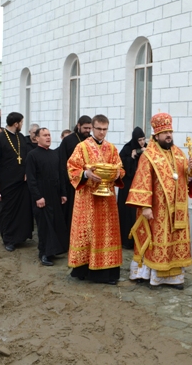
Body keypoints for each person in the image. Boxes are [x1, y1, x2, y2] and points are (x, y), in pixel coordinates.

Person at [126, 113, 192, 289]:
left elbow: (185, 179)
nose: (169, 135)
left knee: (175, 242)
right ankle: (153, 276)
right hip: (158, 209)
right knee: (157, 242)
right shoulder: (149, 155)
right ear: (156, 135)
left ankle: (175, 278)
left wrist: (191, 171)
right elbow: (142, 181)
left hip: (178, 209)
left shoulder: (179, 153)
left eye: (170, 132)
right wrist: (145, 207)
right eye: (165, 132)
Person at [67, 114, 124, 284]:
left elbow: (120, 168)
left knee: (107, 234)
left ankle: (107, 273)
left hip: (107, 200)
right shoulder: (81, 147)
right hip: (87, 199)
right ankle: (83, 270)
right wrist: (86, 174)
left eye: (105, 129)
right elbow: (71, 168)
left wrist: (116, 174)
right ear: (92, 128)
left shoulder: (112, 148)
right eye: (98, 129)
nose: (101, 132)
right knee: (88, 232)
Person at [0, 112, 33, 251]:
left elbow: (25, 157)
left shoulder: (20, 137)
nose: (22, 125)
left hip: (21, 180)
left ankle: (20, 237)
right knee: (8, 210)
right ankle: (8, 239)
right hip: (6, 181)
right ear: (16, 123)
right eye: (21, 122)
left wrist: (27, 172)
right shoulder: (0, 138)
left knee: (22, 210)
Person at [26, 128, 69, 266]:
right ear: (37, 138)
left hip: (55, 194)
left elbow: (61, 174)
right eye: (44, 135)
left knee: (56, 223)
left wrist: (63, 193)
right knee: (45, 225)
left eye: (49, 135)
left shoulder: (55, 154)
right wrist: (38, 197)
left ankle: (55, 250)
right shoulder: (32, 155)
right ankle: (44, 253)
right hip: (41, 194)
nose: (48, 137)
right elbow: (31, 179)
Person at [58, 115, 93, 247]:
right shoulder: (68, 141)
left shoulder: (91, 141)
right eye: (85, 128)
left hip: (88, 184)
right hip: (71, 184)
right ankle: (70, 241)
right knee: (71, 214)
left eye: (89, 128)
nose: (87, 131)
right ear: (78, 126)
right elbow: (62, 163)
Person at [117, 127, 147, 249]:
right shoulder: (127, 148)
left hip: (141, 185)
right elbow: (121, 163)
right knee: (128, 213)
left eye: (143, 139)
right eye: (139, 140)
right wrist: (132, 157)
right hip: (128, 186)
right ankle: (127, 240)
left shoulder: (147, 147)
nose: (141, 142)